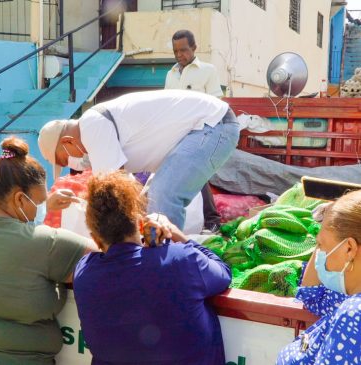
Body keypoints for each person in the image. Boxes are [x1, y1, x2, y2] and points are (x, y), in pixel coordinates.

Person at [73, 170, 232, 365]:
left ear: (96, 239)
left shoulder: (84, 274)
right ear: (140, 224)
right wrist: (175, 233)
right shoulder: (181, 259)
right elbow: (223, 272)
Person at [38, 89, 240, 230]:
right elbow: (124, 187)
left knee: (163, 196)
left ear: (67, 141)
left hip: (213, 124)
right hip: (205, 128)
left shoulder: (91, 125)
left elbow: (114, 190)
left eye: (64, 160)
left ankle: (165, 268)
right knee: (147, 203)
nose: (71, 165)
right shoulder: (94, 126)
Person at [0, 137, 96, 365]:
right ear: (20, 199)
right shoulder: (46, 243)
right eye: (40, 202)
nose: (40, 209)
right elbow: (114, 257)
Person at [277, 190, 361, 365]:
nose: (320, 255)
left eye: (321, 245)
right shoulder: (347, 297)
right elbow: (312, 296)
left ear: (349, 249)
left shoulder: (353, 313)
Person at [165, 29, 223, 233]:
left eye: (184, 50)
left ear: (194, 48)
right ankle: (178, 221)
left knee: (199, 173)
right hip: (176, 133)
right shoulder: (170, 74)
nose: (180, 55)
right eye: (176, 51)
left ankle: (212, 220)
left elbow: (217, 103)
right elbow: (166, 104)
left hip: (200, 132)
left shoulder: (208, 71)